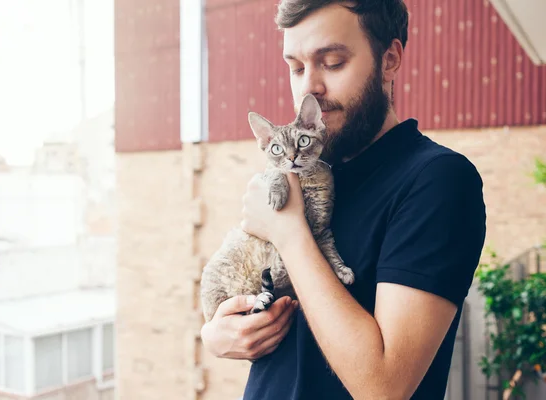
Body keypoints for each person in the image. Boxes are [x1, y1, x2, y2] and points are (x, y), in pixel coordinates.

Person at [200, 1, 487, 399]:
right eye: (296, 68)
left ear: (390, 60)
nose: (308, 87)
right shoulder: (307, 175)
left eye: (332, 62)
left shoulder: (438, 180)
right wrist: (218, 333)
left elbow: (383, 386)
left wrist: (288, 232)